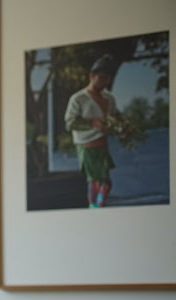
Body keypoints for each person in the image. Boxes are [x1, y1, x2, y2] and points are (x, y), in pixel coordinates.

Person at [65, 53, 119, 208]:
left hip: (103, 146)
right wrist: (92, 123)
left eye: (107, 78)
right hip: (87, 146)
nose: (105, 82)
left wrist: (121, 125)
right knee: (95, 180)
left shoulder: (109, 97)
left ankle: (98, 206)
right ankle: (95, 208)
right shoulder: (78, 98)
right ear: (91, 76)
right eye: (101, 78)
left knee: (105, 182)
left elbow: (116, 115)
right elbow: (70, 123)